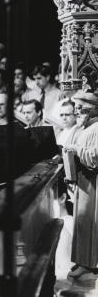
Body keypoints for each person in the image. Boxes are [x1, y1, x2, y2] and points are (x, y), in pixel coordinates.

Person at [65, 92, 98, 283]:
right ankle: (82, 260)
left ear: (92, 108)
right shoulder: (81, 128)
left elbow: (94, 158)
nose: (76, 111)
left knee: (89, 220)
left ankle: (90, 263)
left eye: (80, 107)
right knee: (82, 220)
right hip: (83, 181)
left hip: (93, 183)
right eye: (76, 107)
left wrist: (77, 150)